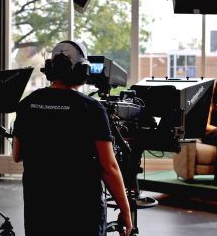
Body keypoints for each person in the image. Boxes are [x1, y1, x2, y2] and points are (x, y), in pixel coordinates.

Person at [12, 40, 133, 236]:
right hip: (82, 215)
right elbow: (108, 167)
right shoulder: (92, 109)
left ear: (50, 68)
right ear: (82, 70)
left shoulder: (27, 104)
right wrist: (126, 211)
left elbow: (17, 155)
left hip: (39, 212)